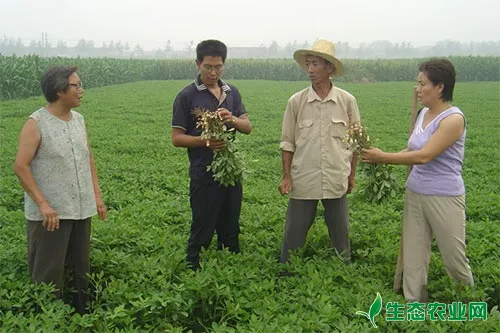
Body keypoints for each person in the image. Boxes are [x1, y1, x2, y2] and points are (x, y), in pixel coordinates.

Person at [362, 58, 474, 302]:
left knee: (454, 257)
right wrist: (380, 158)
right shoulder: (424, 113)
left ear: (440, 87)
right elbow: (411, 150)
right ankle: (415, 304)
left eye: (423, 84)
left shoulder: (453, 119)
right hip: (415, 193)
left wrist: (384, 157)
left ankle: (469, 305)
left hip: (444, 196)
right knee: (413, 255)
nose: (418, 89)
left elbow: (424, 156)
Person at [13, 66, 107, 314]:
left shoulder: (79, 120)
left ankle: (80, 317)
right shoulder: (36, 123)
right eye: (76, 86)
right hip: (51, 214)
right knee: (48, 272)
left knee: (80, 269)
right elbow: (21, 166)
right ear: (59, 90)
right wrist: (43, 204)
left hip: (80, 208)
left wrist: (96, 197)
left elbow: (89, 159)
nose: (81, 90)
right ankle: (47, 319)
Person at [171, 39, 252, 270]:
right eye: (208, 67)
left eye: (218, 67)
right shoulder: (186, 96)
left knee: (230, 224)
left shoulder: (231, 92)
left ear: (224, 65)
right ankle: (194, 267)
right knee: (203, 224)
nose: (213, 72)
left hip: (231, 171)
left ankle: (229, 268)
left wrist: (232, 120)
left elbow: (248, 127)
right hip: (203, 173)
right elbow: (176, 138)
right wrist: (206, 141)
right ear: (198, 64)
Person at [278, 39, 361, 263]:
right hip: (304, 177)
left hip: (336, 176)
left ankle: (343, 272)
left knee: (340, 233)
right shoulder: (296, 102)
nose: (310, 70)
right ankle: (287, 271)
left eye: (315, 64)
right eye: (308, 65)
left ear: (329, 68)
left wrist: (352, 176)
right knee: (294, 233)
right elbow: (287, 143)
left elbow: (355, 144)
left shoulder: (347, 101)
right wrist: (286, 176)